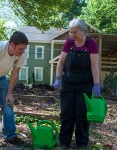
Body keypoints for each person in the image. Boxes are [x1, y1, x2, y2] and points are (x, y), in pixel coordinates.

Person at [53, 19, 100, 149]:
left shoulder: (91, 44)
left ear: (82, 30)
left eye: (75, 32)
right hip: (68, 83)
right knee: (67, 113)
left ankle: (82, 143)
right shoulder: (69, 43)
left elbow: (94, 66)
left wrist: (96, 84)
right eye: (71, 32)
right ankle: (64, 142)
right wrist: (58, 77)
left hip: (85, 84)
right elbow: (61, 62)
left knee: (82, 114)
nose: (72, 35)